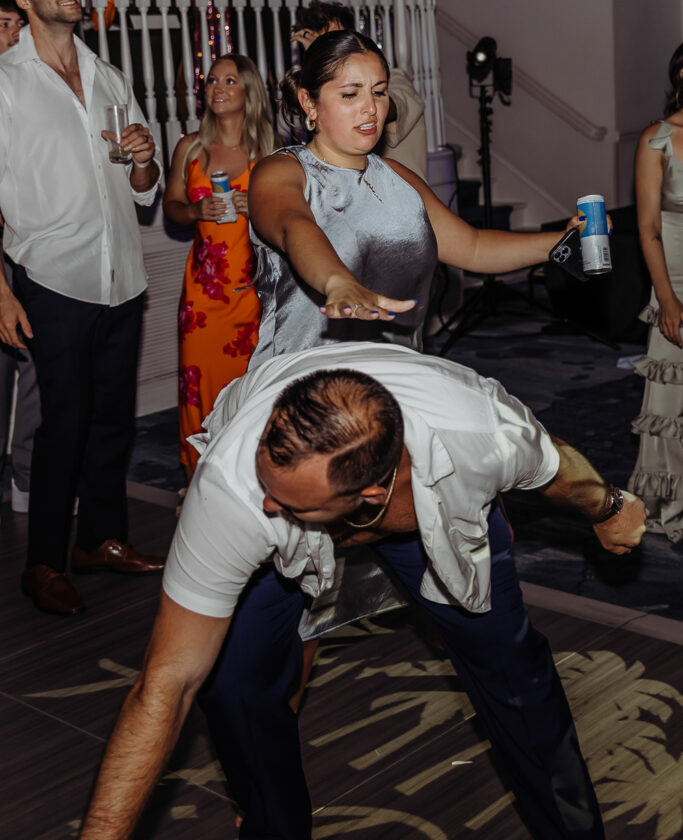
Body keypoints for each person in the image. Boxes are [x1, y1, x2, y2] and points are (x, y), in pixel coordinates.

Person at [78, 343, 646, 840]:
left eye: (288, 503)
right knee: (234, 685)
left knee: (514, 674)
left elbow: (555, 466)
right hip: (287, 525)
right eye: (267, 486)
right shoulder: (239, 491)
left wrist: (610, 508)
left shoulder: (480, 436)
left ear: (372, 497)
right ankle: (273, 826)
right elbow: (165, 685)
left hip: (438, 507)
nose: (267, 502)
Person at [247, 29, 581, 366]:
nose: (370, 109)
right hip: (304, 377)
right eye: (350, 95)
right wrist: (338, 281)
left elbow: (474, 247)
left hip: (400, 374)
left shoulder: (399, 178)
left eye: (379, 92)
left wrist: (562, 241)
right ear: (309, 103)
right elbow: (295, 226)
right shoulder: (280, 172)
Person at [0, 0, 165, 616]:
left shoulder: (107, 75)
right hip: (51, 277)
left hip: (120, 275)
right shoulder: (5, 84)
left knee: (111, 422)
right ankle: (42, 562)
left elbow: (144, 187)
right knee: (63, 425)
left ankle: (100, 539)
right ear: (22, 0)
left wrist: (144, 158)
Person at [162, 54, 275, 479]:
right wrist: (196, 210)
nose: (218, 88)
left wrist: (259, 207)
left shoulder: (270, 151)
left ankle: (250, 483)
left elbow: (298, 217)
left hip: (254, 293)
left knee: (251, 392)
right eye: (212, 81)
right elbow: (171, 207)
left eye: (230, 80)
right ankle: (198, 484)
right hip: (203, 296)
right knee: (199, 389)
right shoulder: (189, 147)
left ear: (249, 91)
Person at [629, 42, 683, 543]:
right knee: (671, 399)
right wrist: (666, 299)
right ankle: (674, 508)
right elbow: (646, 227)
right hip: (676, 278)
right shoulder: (656, 140)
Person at [290, 0, 429, 180]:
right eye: (321, 45)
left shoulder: (396, 79)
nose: (371, 106)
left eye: (378, 92)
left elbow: (389, 108)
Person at [0, 0, 38, 514]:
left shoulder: (25, 87)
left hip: (25, 245)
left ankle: (28, 476)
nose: (11, 36)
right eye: (4, 25)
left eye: (15, 26)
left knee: (34, 364)